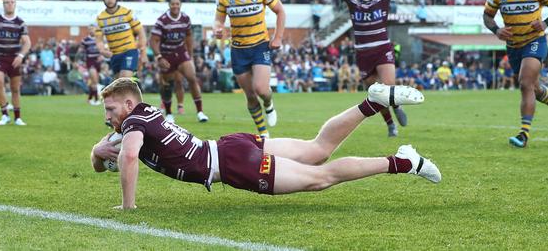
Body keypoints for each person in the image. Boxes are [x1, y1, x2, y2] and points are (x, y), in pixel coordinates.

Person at [90, 78, 441, 210]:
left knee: (320, 177)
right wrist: (96, 151)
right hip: (231, 145)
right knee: (317, 148)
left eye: (110, 108)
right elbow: (105, 156)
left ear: (127, 104)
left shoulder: (134, 121)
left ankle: (404, 161)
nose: (107, 116)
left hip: (230, 163)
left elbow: (130, 155)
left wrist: (128, 206)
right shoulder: (145, 113)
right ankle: (373, 103)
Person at [301, 0, 417, 137]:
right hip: (363, 53)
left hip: (382, 48)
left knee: (388, 87)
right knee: (375, 94)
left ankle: (396, 106)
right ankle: (390, 124)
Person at [213, 0, 286, 137]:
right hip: (238, 49)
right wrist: (218, 29)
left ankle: (269, 104)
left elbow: (280, 11)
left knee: (261, 89)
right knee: (250, 95)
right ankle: (263, 132)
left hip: (260, 45)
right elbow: (218, 20)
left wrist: (278, 37)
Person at [483, 0, 548, 148]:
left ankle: (524, 134)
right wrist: (496, 30)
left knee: (524, 82)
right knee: (534, 88)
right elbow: (487, 16)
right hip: (513, 47)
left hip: (535, 41)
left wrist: (545, 23)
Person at [150, 0, 208, 123]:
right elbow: (153, 40)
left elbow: (188, 36)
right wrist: (159, 57)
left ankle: (200, 112)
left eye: (177, 3)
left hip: (180, 52)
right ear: (169, 5)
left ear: (180, 5)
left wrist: (190, 55)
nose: (175, 6)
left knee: (192, 78)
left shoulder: (185, 18)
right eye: (173, 4)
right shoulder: (162, 20)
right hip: (166, 54)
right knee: (167, 84)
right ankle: (169, 113)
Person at [95, 0, 147, 79]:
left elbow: (141, 32)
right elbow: (99, 40)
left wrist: (143, 52)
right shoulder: (100, 18)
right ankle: (134, 86)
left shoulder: (127, 12)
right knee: (118, 85)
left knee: (124, 80)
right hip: (114, 55)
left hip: (129, 51)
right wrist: (102, 51)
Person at [79, 25, 102, 105]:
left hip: (98, 62)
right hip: (90, 61)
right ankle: (96, 100)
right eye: (90, 29)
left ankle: (89, 99)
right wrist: (81, 60)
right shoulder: (85, 40)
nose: (91, 31)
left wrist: (101, 56)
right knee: (95, 81)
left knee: (93, 82)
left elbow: (103, 49)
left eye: (92, 29)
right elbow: (81, 51)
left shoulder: (99, 39)